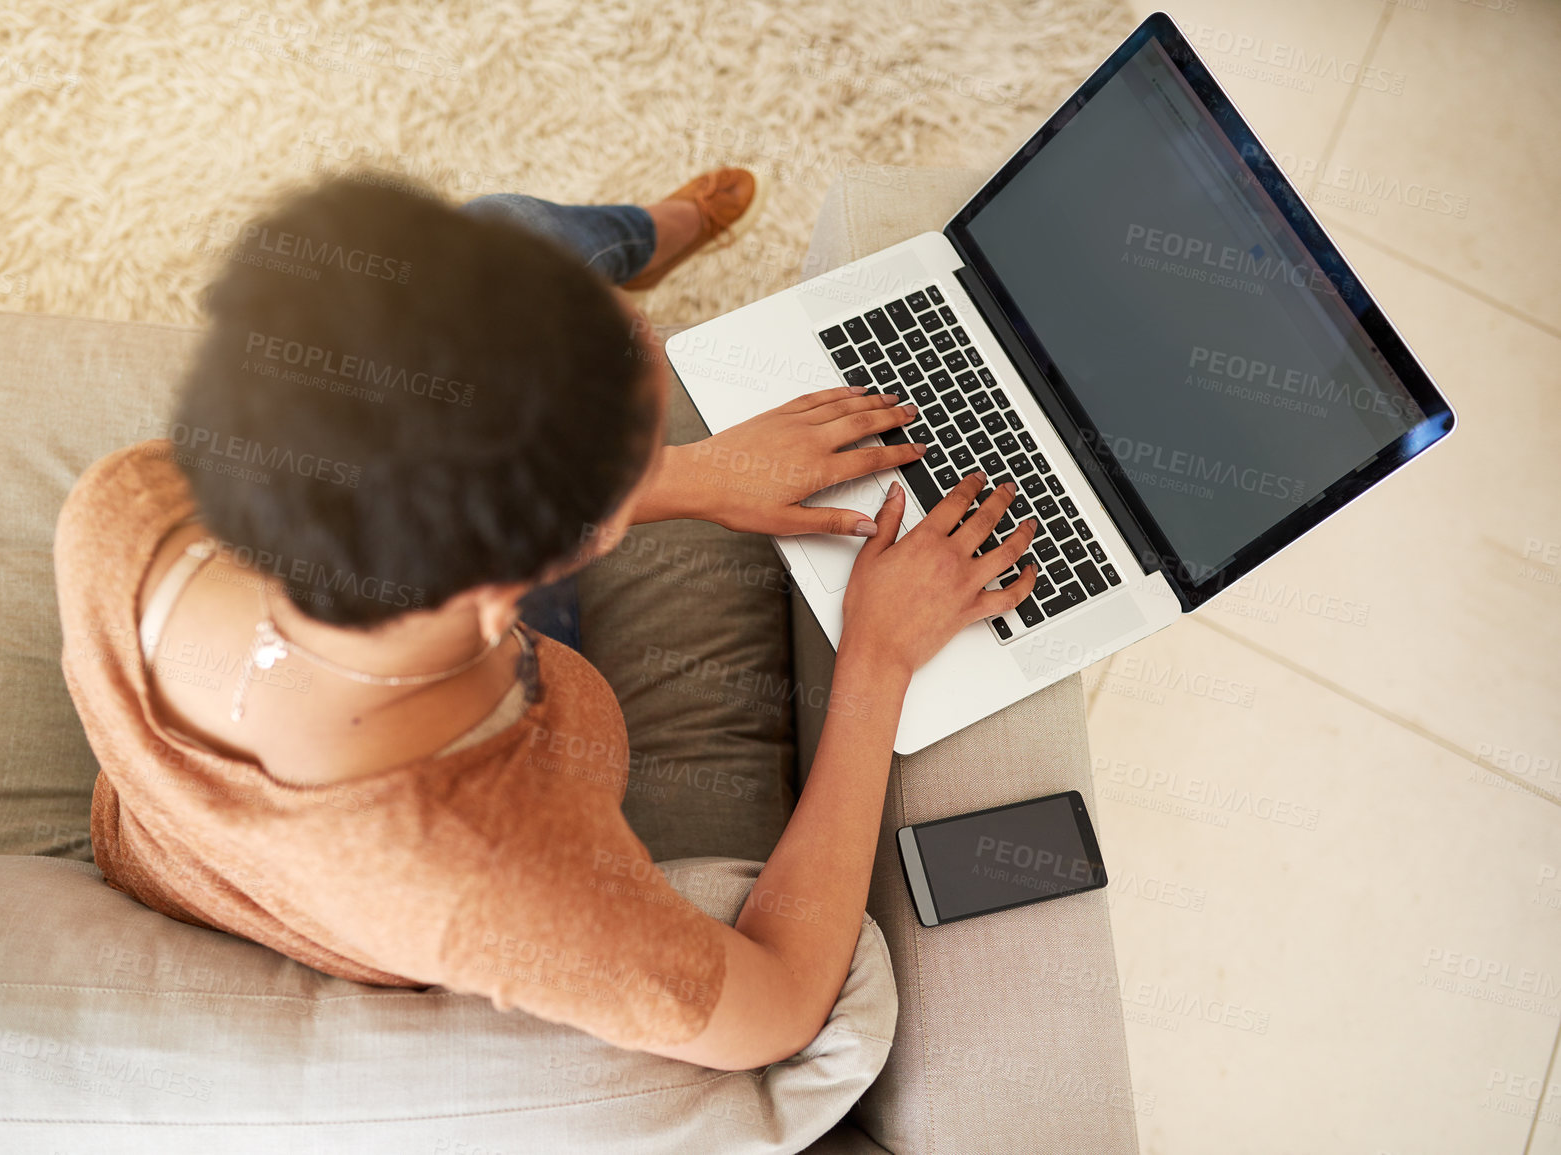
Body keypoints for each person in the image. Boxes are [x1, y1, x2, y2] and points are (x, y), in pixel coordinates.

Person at [53, 168, 1039, 1072]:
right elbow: (776, 1009)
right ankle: (632, 238)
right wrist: (876, 659)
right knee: (519, 235)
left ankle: (655, 232)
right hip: (402, 860)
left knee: (509, 233)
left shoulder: (125, 509)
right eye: (645, 458)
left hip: (167, 828)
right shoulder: (495, 885)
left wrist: (703, 476)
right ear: (521, 575)